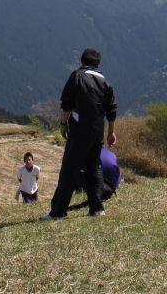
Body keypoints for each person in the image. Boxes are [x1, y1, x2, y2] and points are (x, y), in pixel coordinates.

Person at [42, 47, 118, 221]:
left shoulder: (77, 76)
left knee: (70, 169)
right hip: (98, 130)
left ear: (83, 61)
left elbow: (67, 104)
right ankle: (96, 209)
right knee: (94, 167)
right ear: (98, 63)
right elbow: (111, 110)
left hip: (80, 128)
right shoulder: (105, 82)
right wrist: (111, 132)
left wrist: (63, 123)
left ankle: (59, 212)